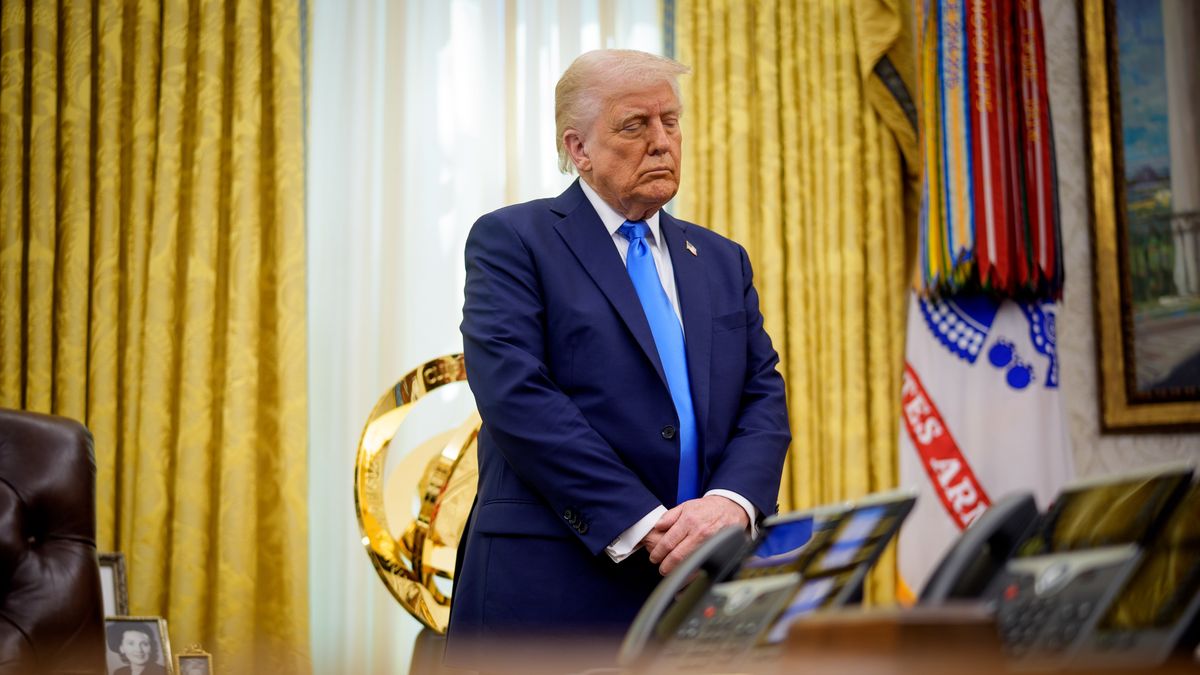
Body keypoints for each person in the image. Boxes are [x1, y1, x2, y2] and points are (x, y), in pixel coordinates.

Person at [448, 48, 790, 659]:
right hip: (553, 586)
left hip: (699, 585)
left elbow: (762, 393)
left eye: (671, 121)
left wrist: (729, 504)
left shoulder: (720, 259)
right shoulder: (512, 241)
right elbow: (517, 399)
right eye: (636, 125)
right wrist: (643, 523)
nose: (662, 142)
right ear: (577, 148)